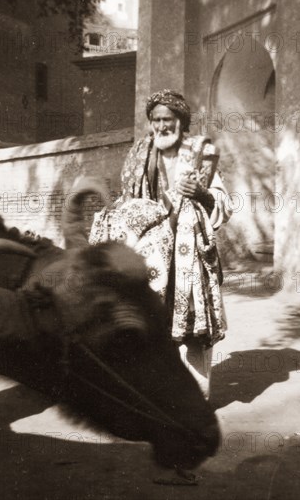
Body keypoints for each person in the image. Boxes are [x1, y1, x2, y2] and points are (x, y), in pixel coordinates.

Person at [111, 89, 232, 397]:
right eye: (155, 120)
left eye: (168, 119)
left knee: (194, 328)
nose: (162, 126)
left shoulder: (200, 152)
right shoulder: (140, 155)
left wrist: (202, 194)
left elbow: (225, 204)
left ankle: (195, 400)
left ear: (181, 121)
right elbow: (128, 203)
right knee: (149, 326)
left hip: (190, 260)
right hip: (151, 258)